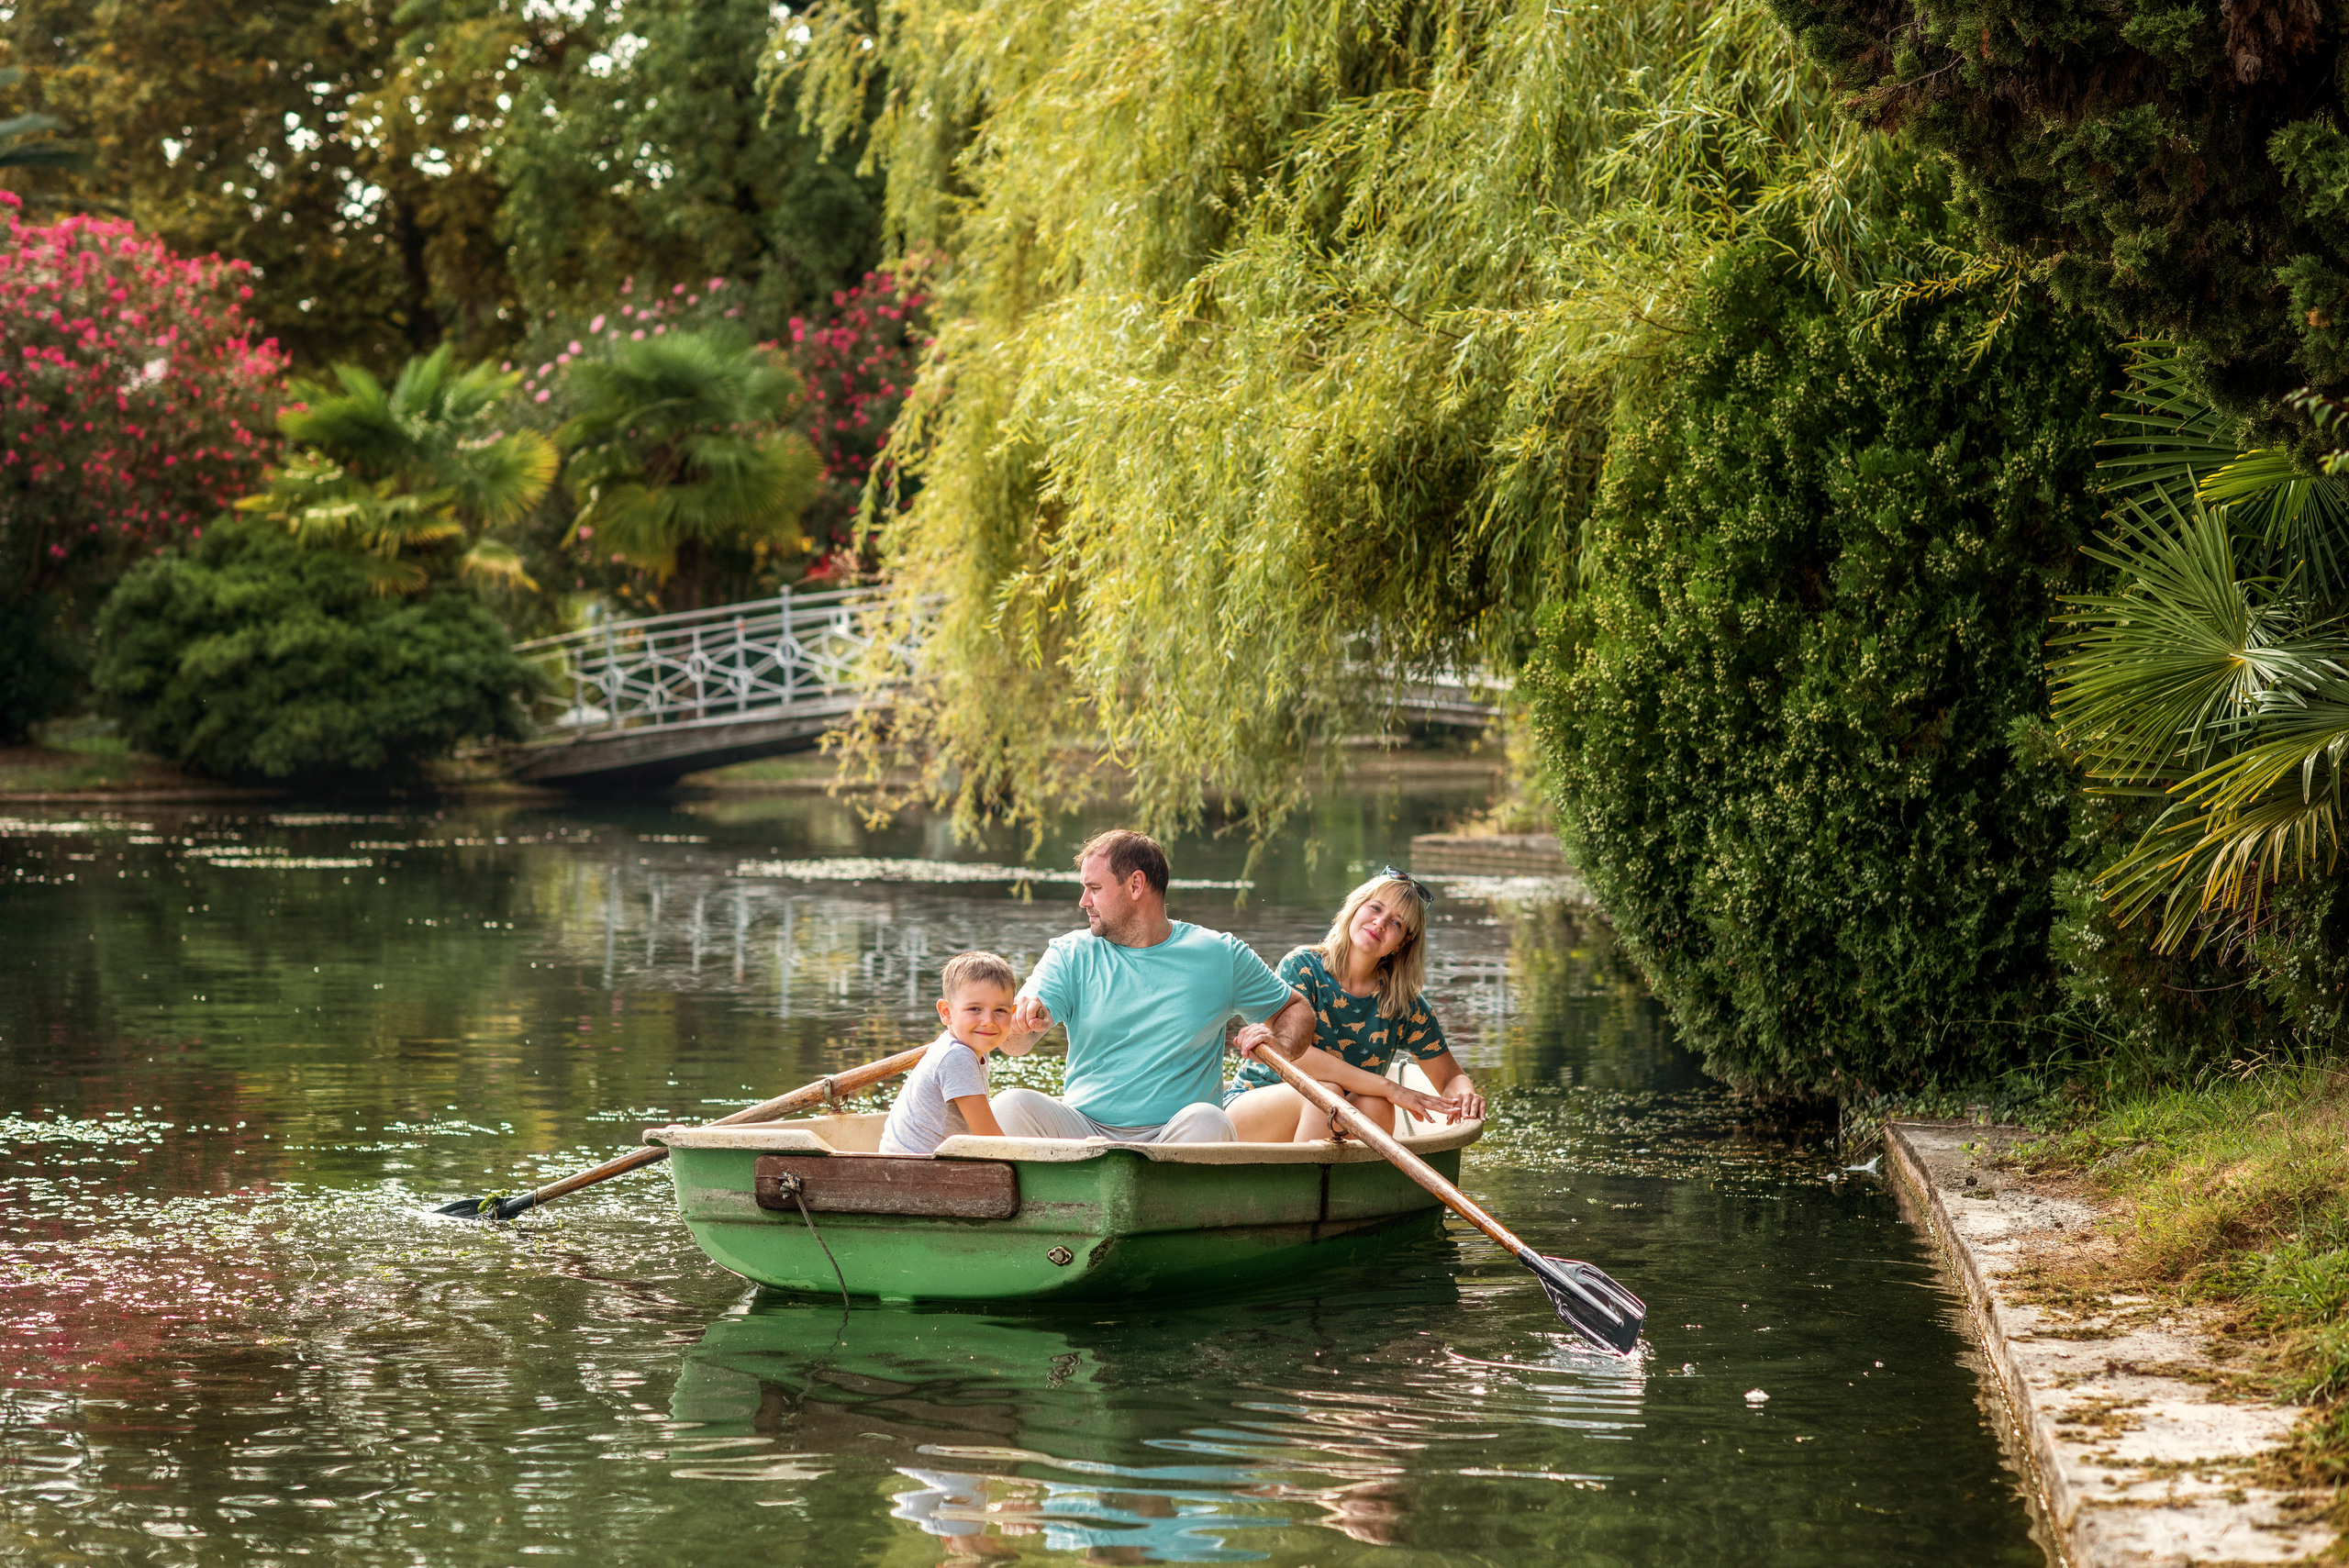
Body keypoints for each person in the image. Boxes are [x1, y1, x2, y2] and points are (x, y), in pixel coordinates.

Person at [996, 829, 1315, 1143]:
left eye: (1094, 888)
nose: (1084, 902)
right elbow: (1014, 1044)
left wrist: (1282, 1046)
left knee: (1209, 1120)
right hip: (1083, 1130)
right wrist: (1020, 1027)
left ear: (1136, 884)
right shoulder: (1070, 954)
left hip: (1175, 1134)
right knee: (1007, 1106)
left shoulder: (1219, 955)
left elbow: (1295, 1008)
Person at [1225, 868, 1486, 1142]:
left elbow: (1450, 1079)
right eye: (1375, 908)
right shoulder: (1302, 967)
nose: (1380, 923)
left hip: (1328, 1115)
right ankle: (1299, 1184)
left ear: (1403, 943)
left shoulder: (1403, 1005)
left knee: (1377, 1105)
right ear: (1355, 906)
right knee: (1325, 1097)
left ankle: (1331, 1184)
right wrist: (1389, 1087)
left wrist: (1464, 1096)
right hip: (1251, 1107)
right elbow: (1297, 1056)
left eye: (1397, 923)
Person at [878, 950, 1040, 1155]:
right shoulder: (957, 1056)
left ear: (1013, 1012)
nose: (988, 1021)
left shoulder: (972, 1046)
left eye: (1000, 1010)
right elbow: (991, 1140)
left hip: (917, 1165)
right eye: (974, 1009)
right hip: (914, 1168)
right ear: (946, 1012)